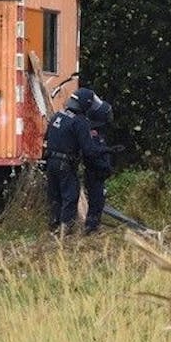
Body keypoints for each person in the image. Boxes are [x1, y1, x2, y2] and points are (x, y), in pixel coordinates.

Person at [41, 88, 108, 235]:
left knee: (55, 196)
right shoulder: (80, 122)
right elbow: (88, 150)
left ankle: (54, 227)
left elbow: (45, 139)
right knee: (70, 196)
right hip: (65, 165)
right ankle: (65, 231)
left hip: (51, 162)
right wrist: (106, 150)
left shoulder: (58, 115)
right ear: (84, 104)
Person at [81, 99, 115, 236]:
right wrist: (105, 167)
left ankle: (94, 226)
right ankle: (91, 227)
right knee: (96, 201)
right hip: (94, 173)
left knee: (98, 200)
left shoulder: (97, 133)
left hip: (97, 174)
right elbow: (92, 155)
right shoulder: (93, 135)